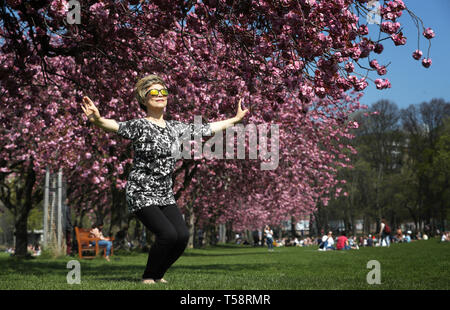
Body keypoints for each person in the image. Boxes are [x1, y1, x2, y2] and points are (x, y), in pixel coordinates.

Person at [81, 74, 249, 284]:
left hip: (164, 194)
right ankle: (149, 277)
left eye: (164, 92)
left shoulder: (174, 128)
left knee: (182, 237)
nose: (160, 95)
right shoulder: (140, 125)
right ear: (144, 99)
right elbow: (114, 126)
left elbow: (206, 129)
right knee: (168, 234)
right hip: (141, 192)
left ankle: (157, 274)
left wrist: (235, 119)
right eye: (154, 92)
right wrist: (97, 119)